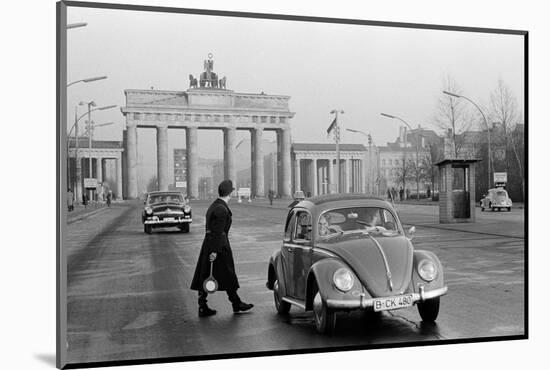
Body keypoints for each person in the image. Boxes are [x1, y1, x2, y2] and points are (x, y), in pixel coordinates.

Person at [190, 179, 254, 317]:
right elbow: (218, 231)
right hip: (219, 245)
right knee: (227, 274)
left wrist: (211, 248)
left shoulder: (215, 205)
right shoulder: (221, 209)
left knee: (206, 274)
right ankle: (235, 303)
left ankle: (204, 306)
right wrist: (215, 251)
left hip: (210, 243)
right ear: (230, 193)